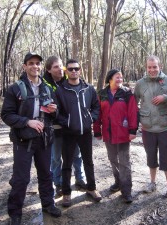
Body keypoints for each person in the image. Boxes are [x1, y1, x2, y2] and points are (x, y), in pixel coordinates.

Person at [1, 53, 61, 225]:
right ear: (24, 66)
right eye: (31, 63)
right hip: (23, 141)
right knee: (21, 178)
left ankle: (48, 204)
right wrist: (27, 121)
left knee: (46, 174)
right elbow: (6, 115)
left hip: (44, 139)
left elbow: (55, 115)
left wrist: (53, 111)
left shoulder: (47, 88)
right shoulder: (15, 88)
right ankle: (15, 213)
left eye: (37, 64)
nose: (35, 66)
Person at [134, 55, 167, 201]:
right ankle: (153, 183)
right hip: (147, 128)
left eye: (155, 67)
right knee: (151, 157)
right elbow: (134, 102)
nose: (152, 69)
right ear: (146, 68)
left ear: (160, 66)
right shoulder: (140, 83)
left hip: (164, 127)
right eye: (149, 67)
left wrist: (165, 97)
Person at [55, 58, 101, 207]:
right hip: (68, 132)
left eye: (76, 68)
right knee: (67, 164)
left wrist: (90, 119)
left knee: (88, 162)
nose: (74, 71)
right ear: (66, 71)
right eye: (70, 69)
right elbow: (56, 112)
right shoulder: (60, 90)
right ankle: (67, 194)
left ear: (80, 70)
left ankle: (92, 188)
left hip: (86, 132)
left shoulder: (88, 88)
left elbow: (96, 107)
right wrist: (66, 122)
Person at [43, 56, 86, 197]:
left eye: (61, 66)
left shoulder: (69, 82)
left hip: (71, 127)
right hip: (54, 128)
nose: (60, 69)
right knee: (56, 158)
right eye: (56, 67)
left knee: (76, 154)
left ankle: (80, 179)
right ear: (49, 70)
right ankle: (59, 184)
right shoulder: (44, 85)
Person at [93, 69, 138, 203]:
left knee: (124, 162)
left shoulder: (127, 93)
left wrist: (133, 130)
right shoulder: (101, 94)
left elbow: (133, 112)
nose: (119, 80)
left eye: (121, 78)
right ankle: (118, 182)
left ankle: (126, 191)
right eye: (117, 77)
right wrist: (97, 130)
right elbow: (98, 113)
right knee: (113, 160)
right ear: (109, 79)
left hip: (123, 133)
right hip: (108, 133)